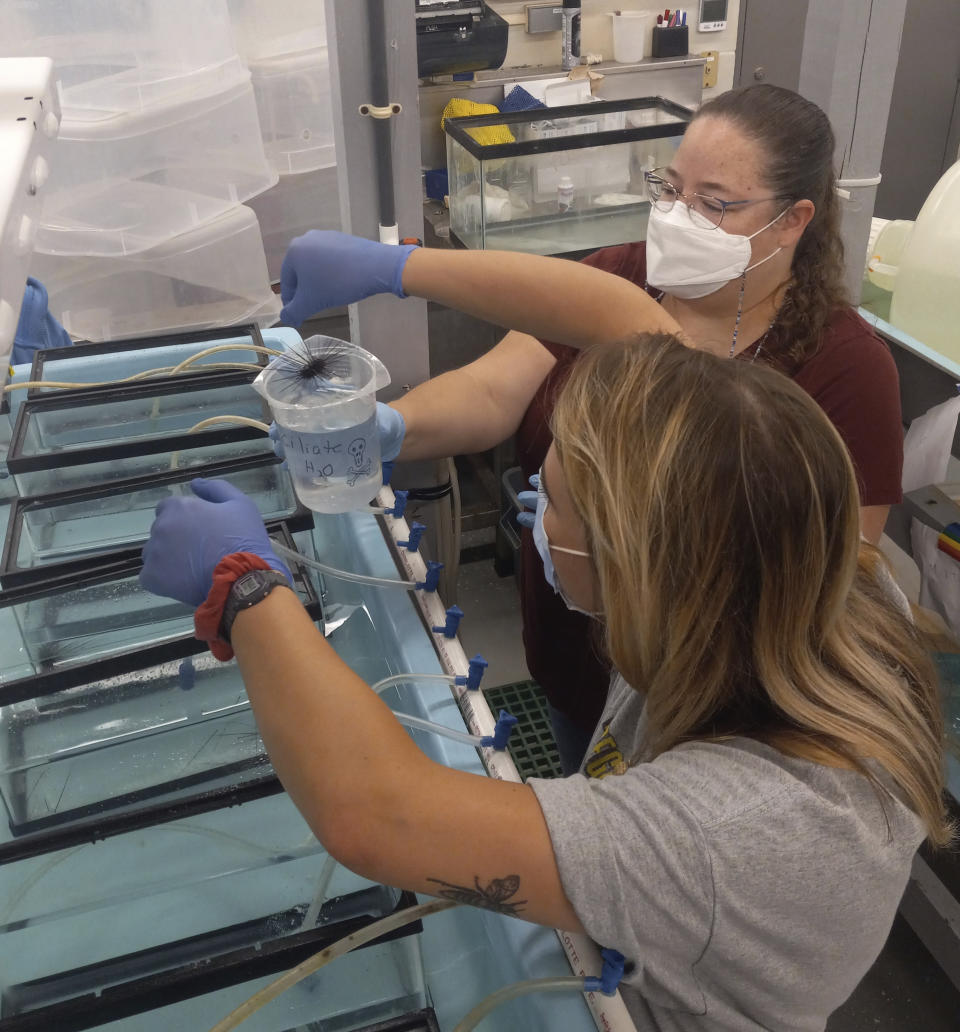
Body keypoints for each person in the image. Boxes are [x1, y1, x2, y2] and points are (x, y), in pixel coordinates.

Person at [140, 331, 950, 1032]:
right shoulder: (811, 575)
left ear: (639, 568)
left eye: (555, 503)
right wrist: (398, 271)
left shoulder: (734, 832)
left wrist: (245, 584)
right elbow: (634, 328)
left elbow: (376, 816)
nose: (535, 515)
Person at [279, 85, 905, 773]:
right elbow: (493, 388)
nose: (677, 217)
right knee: (587, 765)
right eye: (669, 189)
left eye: (714, 203)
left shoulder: (846, 367)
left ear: (793, 220)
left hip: (713, 702)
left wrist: (627, 549)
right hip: (575, 655)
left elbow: (840, 574)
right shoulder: (621, 275)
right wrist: (390, 427)